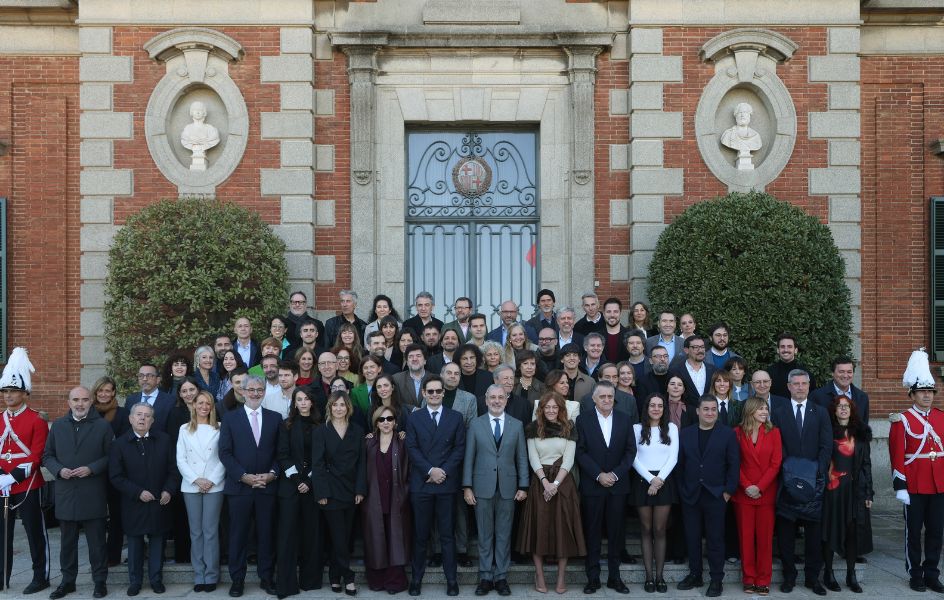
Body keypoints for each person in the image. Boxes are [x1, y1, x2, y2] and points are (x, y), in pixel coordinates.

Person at [44, 386, 113, 600]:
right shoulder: (58, 426)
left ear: (91, 401)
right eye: (75, 400)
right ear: (68, 402)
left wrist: (92, 468)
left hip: (93, 492)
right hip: (66, 492)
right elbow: (47, 456)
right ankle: (67, 582)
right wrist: (58, 470)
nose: (80, 404)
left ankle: (100, 582)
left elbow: (112, 457)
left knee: (97, 544)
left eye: (84, 399)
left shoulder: (102, 426)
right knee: (67, 543)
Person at [462, 384, 529, 597]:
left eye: (501, 397)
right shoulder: (475, 424)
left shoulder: (517, 425)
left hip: (509, 488)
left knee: (503, 534)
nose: (497, 401)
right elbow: (469, 458)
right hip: (482, 487)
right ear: (486, 400)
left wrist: (523, 485)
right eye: (492, 397)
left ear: (507, 399)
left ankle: (501, 577)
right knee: (484, 534)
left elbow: (522, 458)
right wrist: (467, 487)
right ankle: (485, 577)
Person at [516, 392, 584, 594]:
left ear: (561, 409)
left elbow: (569, 459)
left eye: (555, 407)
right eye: (547, 407)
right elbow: (533, 457)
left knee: (563, 529)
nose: (551, 410)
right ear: (542, 409)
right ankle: (540, 575)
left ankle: (562, 577)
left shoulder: (569, 428)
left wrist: (555, 483)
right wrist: (545, 482)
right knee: (539, 528)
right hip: (540, 482)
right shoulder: (533, 428)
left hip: (563, 483)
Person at [218, 375, 280, 597]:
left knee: (266, 534)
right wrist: (242, 476)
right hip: (239, 488)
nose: (255, 393)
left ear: (264, 392)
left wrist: (272, 475)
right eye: (251, 389)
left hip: (267, 487)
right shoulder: (230, 419)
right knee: (238, 535)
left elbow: (280, 453)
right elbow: (224, 453)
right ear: (242, 392)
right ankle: (237, 580)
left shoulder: (275, 418)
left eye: (259, 390)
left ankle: (266, 577)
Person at [771, 369, 832, 595]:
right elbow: (777, 444)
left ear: (809, 386)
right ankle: (789, 576)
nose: (799, 387)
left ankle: (812, 578)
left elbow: (826, 445)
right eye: (795, 383)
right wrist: (790, 471)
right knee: (786, 533)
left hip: (814, 482)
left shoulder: (821, 412)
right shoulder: (778, 412)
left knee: (813, 535)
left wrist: (818, 470)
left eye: (803, 384)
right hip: (787, 481)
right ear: (788, 386)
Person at [405, 376, 466, 597]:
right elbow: (411, 448)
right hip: (422, 484)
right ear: (423, 394)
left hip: (446, 484)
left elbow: (459, 449)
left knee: (447, 536)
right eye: (429, 392)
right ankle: (417, 579)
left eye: (438, 391)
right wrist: (431, 471)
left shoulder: (455, 417)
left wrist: (443, 472)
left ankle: (451, 580)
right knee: (421, 536)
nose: (434, 395)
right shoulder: (414, 418)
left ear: (443, 392)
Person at [109, 402, 178, 596]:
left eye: (147, 415)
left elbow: (173, 470)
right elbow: (116, 476)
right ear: (130, 418)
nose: (142, 418)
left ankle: (156, 580)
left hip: (159, 501)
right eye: (138, 415)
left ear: (152, 420)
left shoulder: (164, 440)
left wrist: (168, 490)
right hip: (133, 503)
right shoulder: (119, 444)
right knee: (135, 544)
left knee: (157, 543)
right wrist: (137, 492)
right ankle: (135, 582)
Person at [890, 348, 944, 593]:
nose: (927, 396)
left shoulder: (942, 418)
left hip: (939, 484)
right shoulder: (902, 420)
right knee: (913, 533)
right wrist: (900, 486)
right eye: (922, 392)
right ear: (912, 394)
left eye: (930, 392)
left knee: (935, 532)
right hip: (914, 485)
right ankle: (915, 573)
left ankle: (932, 573)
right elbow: (896, 455)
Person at [575, 381, 636, 594]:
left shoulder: (625, 420)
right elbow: (580, 452)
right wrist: (599, 475)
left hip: (618, 487)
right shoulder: (582, 420)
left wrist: (616, 474)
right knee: (592, 532)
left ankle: (614, 577)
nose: (607, 400)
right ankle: (593, 578)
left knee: (616, 533)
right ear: (594, 399)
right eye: (603, 397)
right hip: (593, 485)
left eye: (610, 396)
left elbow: (630, 452)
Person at [676, 395, 740, 598]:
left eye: (713, 409)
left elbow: (734, 465)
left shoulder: (727, 434)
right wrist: (683, 490)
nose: (710, 413)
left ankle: (716, 579)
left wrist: (728, 491)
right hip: (691, 494)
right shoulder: (685, 433)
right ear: (698, 411)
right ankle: (695, 574)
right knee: (692, 538)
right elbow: (680, 465)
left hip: (716, 495)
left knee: (715, 539)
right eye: (706, 409)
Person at [0, 347, 49, 594]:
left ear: (24, 393)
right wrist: (1, 477)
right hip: (1, 484)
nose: (8, 396)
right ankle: (2, 577)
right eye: (5, 391)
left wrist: (12, 476)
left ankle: (41, 576)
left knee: (34, 533)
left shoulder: (36, 420)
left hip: (28, 484)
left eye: (13, 391)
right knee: (1, 535)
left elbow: (36, 455)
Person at [312, 391, 367, 596]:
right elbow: (317, 465)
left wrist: (360, 489)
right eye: (335, 405)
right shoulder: (321, 431)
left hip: (351, 490)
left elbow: (362, 463)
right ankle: (349, 577)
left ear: (348, 407)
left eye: (342, 405)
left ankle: (335, 576)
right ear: (329, 407)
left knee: (343, 537)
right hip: (330, 491)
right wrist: (321, 492)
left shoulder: (357, 430)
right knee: (338, 535)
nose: (338, 408)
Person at [821, 395, 873, 593]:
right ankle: (828, 572)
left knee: (852, 532)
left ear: (851, 410)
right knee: (830, 530)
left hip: (854, 490)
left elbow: (866, 464)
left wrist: (868, 493)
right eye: (839, 406)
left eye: (847, 406)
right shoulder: (826, 432)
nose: (843, 409)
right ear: (834, 410)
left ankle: (851, 574)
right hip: (832, 489)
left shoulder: (860, 433)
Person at [176, 391, 226, 593]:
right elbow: (180, 459)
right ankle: (199, 575)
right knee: (195, 532)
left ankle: (212, 575)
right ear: (193, 405)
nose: (204, 406)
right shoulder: (184, 429)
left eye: (208, 403)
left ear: (212, 407)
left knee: (210, 531)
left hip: (215, 485)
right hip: (191, 485)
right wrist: (197, 480)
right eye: (201, 403)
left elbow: (224, 457)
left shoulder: (220, 428)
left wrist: (211, 480)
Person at [275, 388, 322, 597]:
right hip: (290, 487)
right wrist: (297, 480)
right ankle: (286, 585)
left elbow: (322, 457)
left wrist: (309, 480)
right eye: (299, 399)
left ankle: (310, 581)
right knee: (287, 536)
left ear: (312, 402)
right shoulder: (286, 425)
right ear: (294, 403)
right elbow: (282, 455)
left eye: (306, 399)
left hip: (313, 487)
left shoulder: (321, 425)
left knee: (311, 535)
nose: (303, 403)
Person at [733, 397, 782, 596]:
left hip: (766, 493)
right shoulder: (736, 433)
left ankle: (763, 579)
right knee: (745, 539)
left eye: (766, 409)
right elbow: (733, 462)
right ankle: (748, 578)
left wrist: (759, 487)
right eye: (761, 409)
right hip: (743, 493)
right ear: (750, 410)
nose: (764, 412)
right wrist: (746, 485)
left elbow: (776, 463)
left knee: (764, 540)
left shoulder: (774, 432)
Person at [631, 393, 679, 593]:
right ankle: (649, 577)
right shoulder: (636, 429)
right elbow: (633, 457)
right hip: (643, 480)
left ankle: (660, 577)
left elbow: (673, 457)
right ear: (647, 407)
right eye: (653, 405)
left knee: (660, 529)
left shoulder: (672, 428)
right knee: (645, 528)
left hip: (664, 480)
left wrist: (658, 481)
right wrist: (650, 480)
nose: (656, 409)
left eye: (660, 405)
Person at [363, 405, 412, 594]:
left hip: (397, 498)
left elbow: (409, 469)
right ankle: (377, 580)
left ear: (395, 422)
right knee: (376, 539)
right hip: (373, 499)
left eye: (389, 419)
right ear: (376, 423)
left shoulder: (402, 442)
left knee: (395, 540)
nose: (386, 423)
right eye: (381, 420)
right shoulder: (368, 442)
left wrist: (405, 492)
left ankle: (395, 581)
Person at [92, 376, 131, 567]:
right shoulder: (88, 412)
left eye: (108, 390)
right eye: (100, 391)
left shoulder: (123, 414)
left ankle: (113, 556)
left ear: (114, 392)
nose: (104, 394)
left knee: (116, 516)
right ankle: (98, 555)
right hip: (91, 473)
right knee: (96, 516)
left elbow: (123, 445)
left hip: (114, 472)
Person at [811, 356, 870, 424]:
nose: (845, 375)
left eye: (849, 372)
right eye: (841, 372)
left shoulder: (862, 397)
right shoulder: (817, 396)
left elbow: (864, 428)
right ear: (832, 373)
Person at [126, 362, 176, 433]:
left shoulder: (170, 401)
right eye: (141, 376)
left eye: (149, 375)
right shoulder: (131, 400)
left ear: (158, 379)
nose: (145, 379)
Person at [766, 333, 817, 399]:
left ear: (795, 350)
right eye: (782, 347)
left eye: (789, 346)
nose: (786, 350)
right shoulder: (769, 373)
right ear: (778, 350)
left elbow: (812, 398)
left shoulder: (806, 374)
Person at [669, 335, 716, 406]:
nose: (700, 350)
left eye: (702, 347)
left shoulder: (713, 370)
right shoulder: (675, 371)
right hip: (684, 414)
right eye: (696, 347)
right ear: (686, 350)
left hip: (708, 414)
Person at [720, 101, 762, 168]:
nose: (742, 115)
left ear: (749, 115)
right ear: (736, 116)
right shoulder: (728, 135)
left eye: (745, 112)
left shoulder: (756, 137)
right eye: (740, 113)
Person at [180, 100, 220, 167]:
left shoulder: (211, 129)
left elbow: (215, 139)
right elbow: (184, 140)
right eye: (195, 110)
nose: (198, 112)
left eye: (200, 110)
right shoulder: (187, 129)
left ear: (204, 113)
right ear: (192, 112)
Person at [391, 344, 428, 408]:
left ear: (425, 361)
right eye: (411, 356)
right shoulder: (396, 379)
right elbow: (395, 403)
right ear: (407, 362)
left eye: (418, 356)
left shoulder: (434, 379)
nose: (414, 359)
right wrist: (413, 409)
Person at [601, 298, 629, 363]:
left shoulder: (630, 335)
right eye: (608, 312)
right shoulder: (597, 336)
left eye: (615, 311)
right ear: (604, 314)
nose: (612, 315)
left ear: (620, 313)